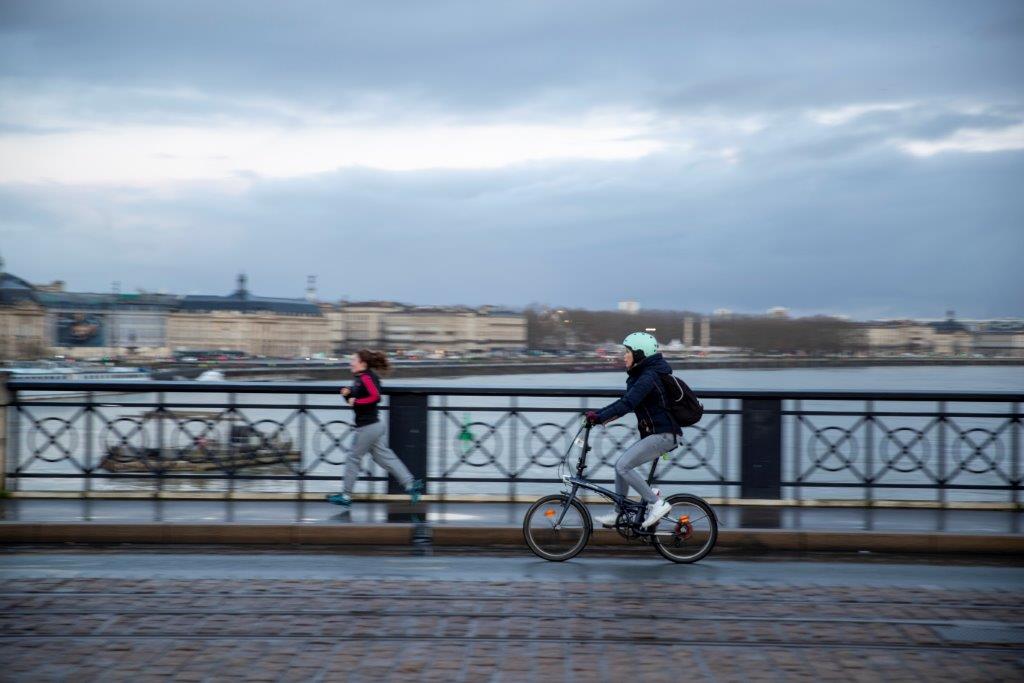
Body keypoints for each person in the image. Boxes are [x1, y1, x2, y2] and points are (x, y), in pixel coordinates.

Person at [585, 332, 679, 529]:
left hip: (663, 435)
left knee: (623, 466)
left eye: (627, 352)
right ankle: (619, 513)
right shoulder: (643, 375)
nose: (624, 356)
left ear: (639, 354)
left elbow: (627, 404)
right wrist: (596, 415)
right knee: (620, 466)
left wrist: (600, 418)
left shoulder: (648, 377)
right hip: (656, 434)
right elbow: (624, 402)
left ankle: (657, 504)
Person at [325, 349, 424, 508]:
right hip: (373, 425)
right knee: (384, 457)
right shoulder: (360, 378)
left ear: (363, 363)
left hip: (367, 426)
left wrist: (356, 401)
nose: (351, 363)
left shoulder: (366, 377)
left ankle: (345, 495)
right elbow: (356, 400)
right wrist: (348, 394)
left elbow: (375, 397)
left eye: (354, 360)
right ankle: (410, 484)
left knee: (353, 458)